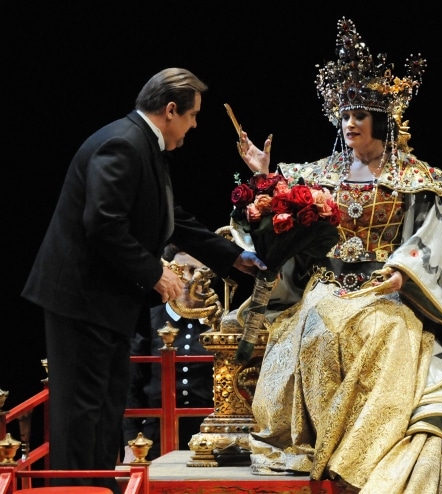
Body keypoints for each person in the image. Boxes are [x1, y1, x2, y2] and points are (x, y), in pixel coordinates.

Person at [232, 17, 442, 494]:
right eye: (345, 114)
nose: (349, 122)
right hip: (327, 286)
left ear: (381, 120)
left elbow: (429, 237)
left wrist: (403, 272)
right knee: (316, 333)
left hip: (386, 287)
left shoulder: (411, 177)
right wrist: (265, 177)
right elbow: (278, 229)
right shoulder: (317, 174)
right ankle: (327, 449)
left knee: (391, 334)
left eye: (360, 114)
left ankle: (368, 451)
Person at [21, 68, 265, 494]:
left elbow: (175, 221)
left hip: (102, 302)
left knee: (104, 408)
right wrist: (155, 272)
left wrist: (233, 257)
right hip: (81, 300)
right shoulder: (123, 144)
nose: (194, 125)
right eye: (192, 116)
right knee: (83, 412)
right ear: (171, 110)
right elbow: (103, 224)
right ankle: (78, 491)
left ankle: (99, 489)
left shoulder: (144, 146)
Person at [123, 245, 215, 462]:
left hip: (209, 435)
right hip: (155, 436)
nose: (186, 278)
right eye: (178, 270)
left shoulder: (220, 323)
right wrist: (129, 442)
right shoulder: (148, 320)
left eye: (194, 270)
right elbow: (130, 387)